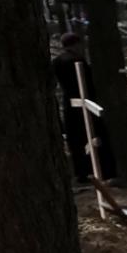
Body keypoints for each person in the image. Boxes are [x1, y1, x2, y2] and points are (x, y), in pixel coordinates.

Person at [51, 32, 96, 179]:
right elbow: (88, 82)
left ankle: (80, 172)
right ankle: (92, 169)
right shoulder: (78, 61)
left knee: (75, 139)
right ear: (76, 44)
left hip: (68, 102)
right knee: (89, 135)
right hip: (85, 100)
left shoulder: (57, 61)